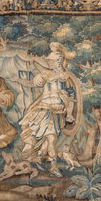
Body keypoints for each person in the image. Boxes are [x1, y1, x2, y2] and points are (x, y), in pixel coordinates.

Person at [15, 42, 77, 177]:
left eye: (51, 61)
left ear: (58, 62)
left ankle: (39, 156)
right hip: (45, 111)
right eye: (48, 61)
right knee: (51, 138)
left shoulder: (65, 77)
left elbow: (72, 97)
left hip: (58, 112)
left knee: (51, 138)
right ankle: (53, 166)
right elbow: (36, 82)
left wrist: (69, 113)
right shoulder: (45, 75)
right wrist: (32, 79)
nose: (48, 63)